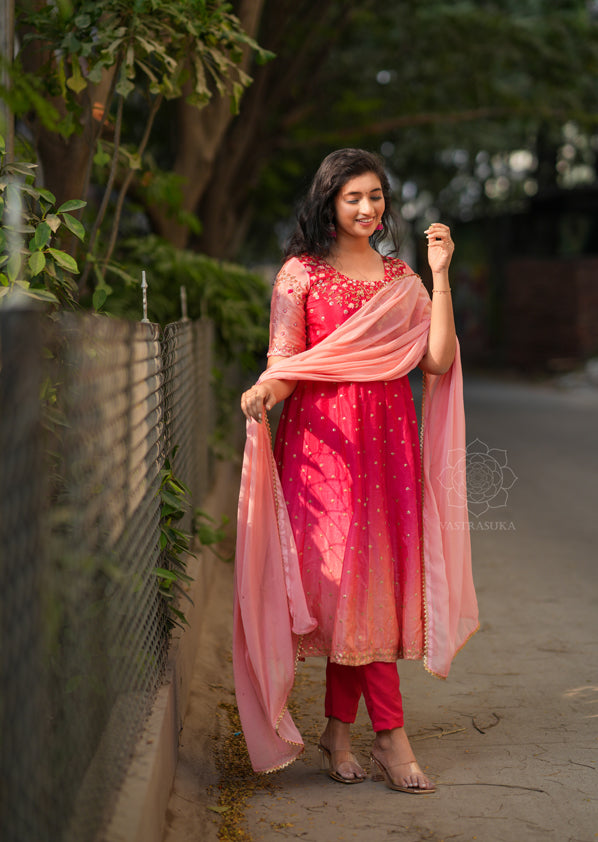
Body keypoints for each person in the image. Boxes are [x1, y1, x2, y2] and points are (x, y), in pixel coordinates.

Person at [235, 148, 478, 794]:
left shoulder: (402, 277)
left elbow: (437, 359)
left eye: (375, 197)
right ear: (329, 203)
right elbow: (286, 364)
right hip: (324, 451)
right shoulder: (300, 274)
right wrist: (264, 393)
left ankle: (340, 730)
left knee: (364, 594)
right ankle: (392, 739)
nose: (367, 208)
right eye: (353, 198)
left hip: (390, 447)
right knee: (351, 587)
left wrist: (441, 273)